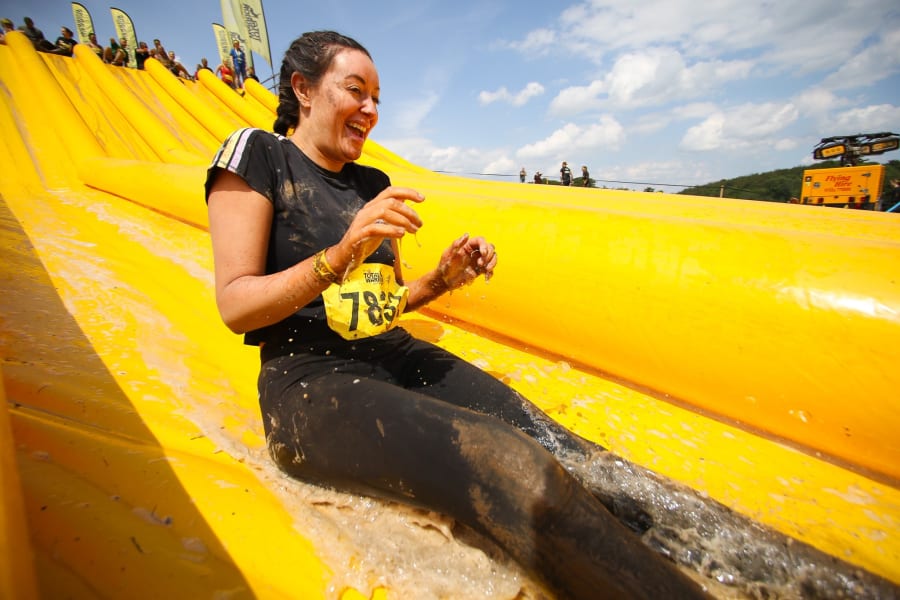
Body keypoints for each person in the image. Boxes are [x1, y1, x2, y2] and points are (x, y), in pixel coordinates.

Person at [205, 30, 707, 600]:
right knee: (509, 463)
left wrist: (442, 278)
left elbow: (380, 305)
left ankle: (757, 562)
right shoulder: (259, 154)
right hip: (309, 382)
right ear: (303, 89)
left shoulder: (372, 183)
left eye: (377, 98)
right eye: (356, 90)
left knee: (563, 447)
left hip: (392, 354)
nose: (370, 110)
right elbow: (235, 305)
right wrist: (340, 254)